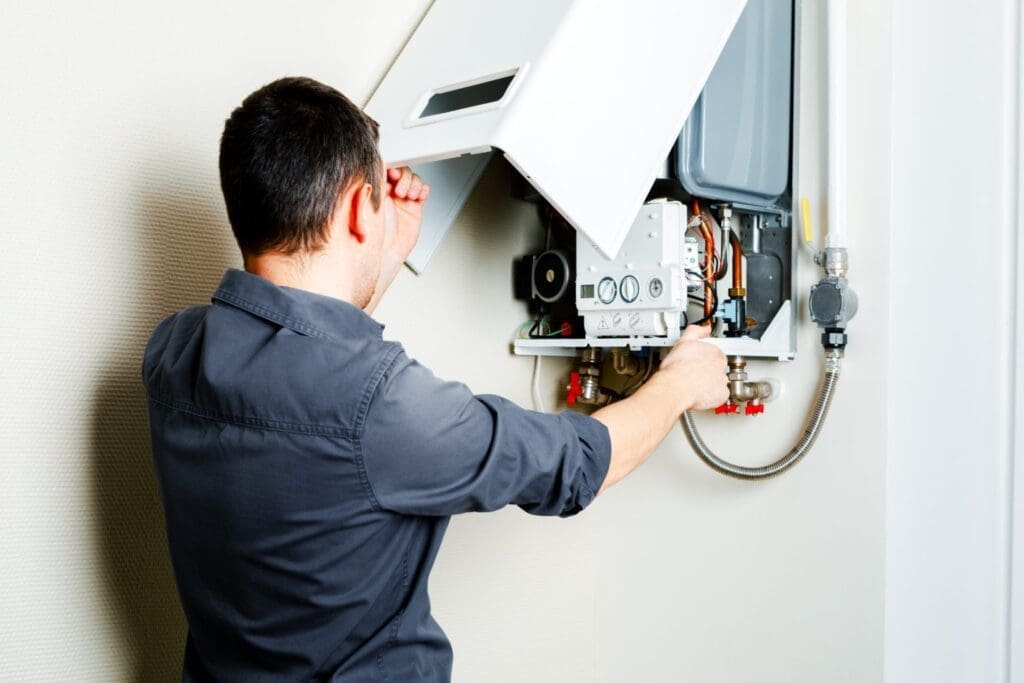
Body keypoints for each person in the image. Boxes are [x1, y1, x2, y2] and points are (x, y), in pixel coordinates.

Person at [143, 76, 728, 682]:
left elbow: (308, 372)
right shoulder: (382, 407)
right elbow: (580, 465)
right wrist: (681, 381)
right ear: (353, 209)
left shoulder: (173, 351)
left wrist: (382, 252)